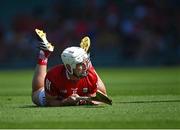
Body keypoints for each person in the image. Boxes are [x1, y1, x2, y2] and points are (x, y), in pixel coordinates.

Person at [31, 29, 107, 106]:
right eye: (80, 64)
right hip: (58, 97)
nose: (85, 67)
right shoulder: (53, 76)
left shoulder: (91, 75)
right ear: (69, 67)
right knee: (35, 95)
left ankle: (84, 56)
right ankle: (44, 54)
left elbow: (98, 98)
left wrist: (86, 100)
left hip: (82, 93)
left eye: (86, 63)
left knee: (103, 92)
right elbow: (50, 101)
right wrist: (65, 102)